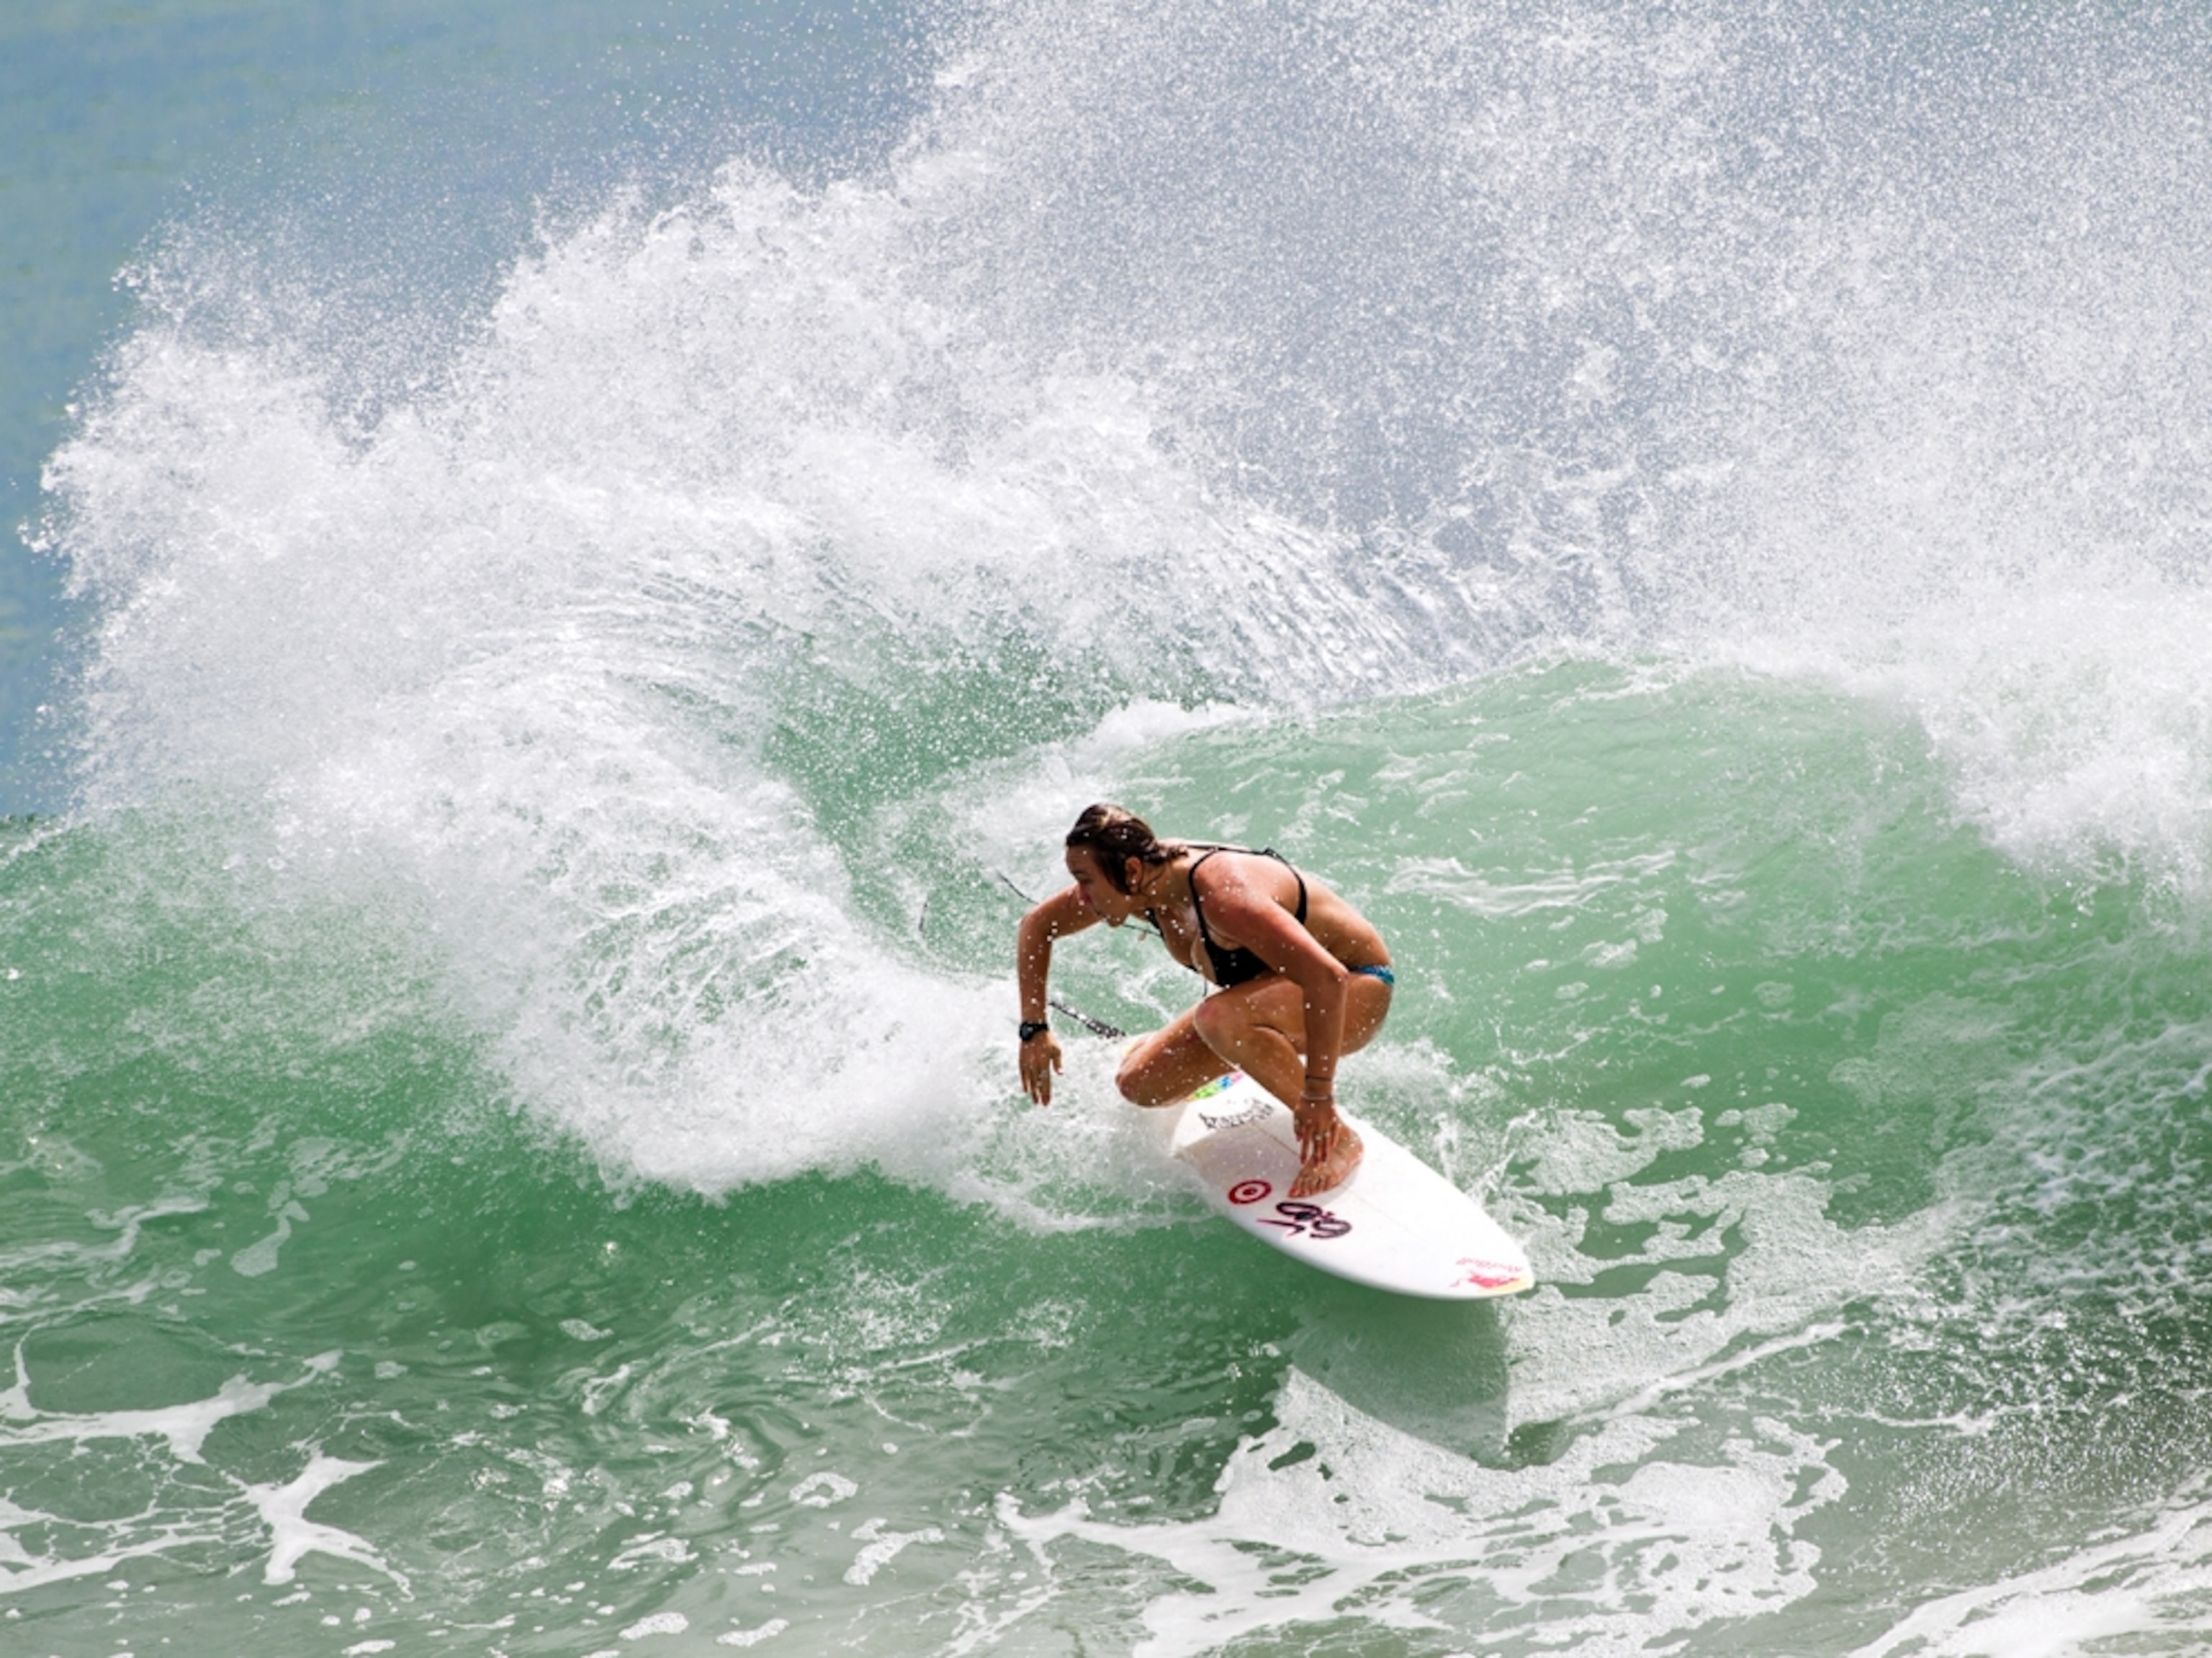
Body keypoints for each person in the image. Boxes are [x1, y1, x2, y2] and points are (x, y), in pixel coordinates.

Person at [1015, 802, 1395, 1197]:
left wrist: (1318, 1095)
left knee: (1220, 1019)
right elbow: (1037, 925)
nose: (1081, 895)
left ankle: (1339, 1139)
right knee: (1140, 1085)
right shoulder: (1143, 884)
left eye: (1085, 880)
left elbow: (1328, 979)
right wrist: (1034, 1029)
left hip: (1355, 989)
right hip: (1272, 996)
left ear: (1132, 870)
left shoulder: (1224, 898)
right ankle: (1244, 1051)